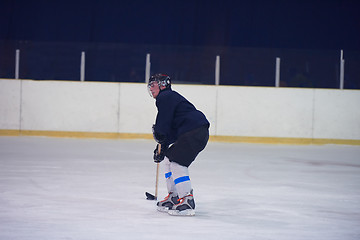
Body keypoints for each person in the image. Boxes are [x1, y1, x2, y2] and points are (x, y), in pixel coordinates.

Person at [148, 73, 209, 216]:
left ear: (162, 85)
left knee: (177, 164)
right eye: (149, 85)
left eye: (153, 85)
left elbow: (164, 122)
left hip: (194, 132)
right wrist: (162, 147)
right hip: (194, 131)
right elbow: (173, 129)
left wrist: (160, 135)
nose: (150, 88)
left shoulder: (165, 97)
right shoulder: (170, 98)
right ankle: (173, 196)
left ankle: (187, 200)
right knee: (169, 160)